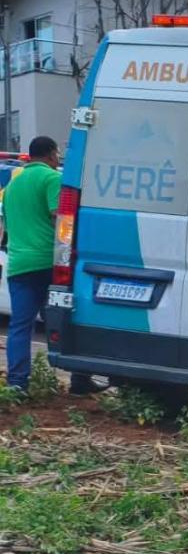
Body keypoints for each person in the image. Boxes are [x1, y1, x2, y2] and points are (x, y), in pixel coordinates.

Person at [3, 136, 90, 393]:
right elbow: (60, 218)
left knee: (20, 325)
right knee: (70, 318)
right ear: (52, 155)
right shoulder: (51, 179)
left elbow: (6, 226)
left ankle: (17, 383)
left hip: (18, 263)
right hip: (47, 263)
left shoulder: (12, 185)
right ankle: (79, 380)